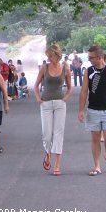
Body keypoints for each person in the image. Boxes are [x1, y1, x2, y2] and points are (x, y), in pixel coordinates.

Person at [78, 45, 106, 176]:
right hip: (93, 109)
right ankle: (97, 166)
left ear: (99, 57)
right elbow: (84, 91)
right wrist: (81, 110)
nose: (89, 60)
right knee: (95, 138)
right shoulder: (88, 71)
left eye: (91, 58)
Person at [34, 44, 72, 176]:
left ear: (57, 55)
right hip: (46, 103)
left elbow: (70, 87)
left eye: (50, 56)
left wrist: (65, 98)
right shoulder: (44, 67)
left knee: (58, 133)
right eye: (48, 56)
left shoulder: (65, 68)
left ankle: (57, 163)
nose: (49, 58)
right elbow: (36, 85)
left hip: (60, 103)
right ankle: (47, 152)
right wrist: (39, 98)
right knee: (47, 133)